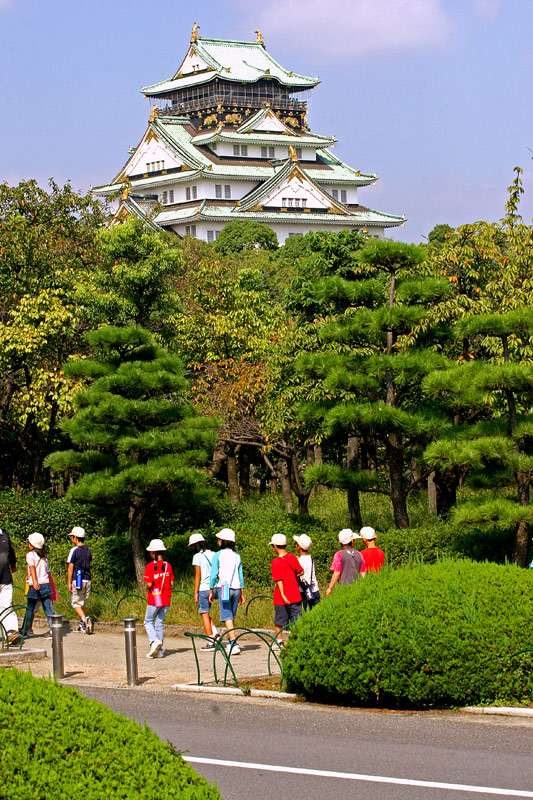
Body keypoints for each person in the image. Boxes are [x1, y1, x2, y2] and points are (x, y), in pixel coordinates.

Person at [209, 528, 244, 656]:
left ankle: (234, 643)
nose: (218, 541)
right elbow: (240, 575)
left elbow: (213, 575)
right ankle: (230, 641)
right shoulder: (237, 556)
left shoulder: (217, 555)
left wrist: (211, 589)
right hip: (236, 589)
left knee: (227, 616)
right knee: (231, 616)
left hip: (224, 588)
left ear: (223, 541)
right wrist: (242, 592)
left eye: (219, 539)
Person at [270, 533, 303, 649]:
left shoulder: (275, 562)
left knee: (279, 620)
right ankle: (297, 640)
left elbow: (278, 580)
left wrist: (283, 594)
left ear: (275, 546)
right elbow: (301, 571)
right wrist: (293, 577)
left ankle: (279, 641)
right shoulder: (293, 558)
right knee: (296, 620)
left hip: (281, 596)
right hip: (295, 593)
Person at [143, 539, 174, 658]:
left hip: (154, 598)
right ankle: (160, 651)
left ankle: (154, 640)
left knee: (148, 621)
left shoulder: (150, 566)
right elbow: (171, 583)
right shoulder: (168, 566)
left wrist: (147, 586)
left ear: (153, 553)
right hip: (166, 598)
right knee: (159, 623)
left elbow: (149, 584)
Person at [188, 533, 218, 651]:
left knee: (204, 614)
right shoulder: (214, 554)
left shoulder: (197, 557)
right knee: (206, 613)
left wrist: (195, 592)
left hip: (204, 588)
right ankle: (215, 633)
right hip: (216, 587)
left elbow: (198, 575)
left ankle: (210, 641)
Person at [22, 533, 54, 639]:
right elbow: (46, 570)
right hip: (45, 583)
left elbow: (32, 568)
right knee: (47, 608)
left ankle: (26, 630)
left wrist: (34, 581)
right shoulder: (44, 556)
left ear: (32, 544)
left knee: (30, 608)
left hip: (35, 584)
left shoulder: (30, 555)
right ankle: (53, 629)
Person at [67, 526, 93, 634]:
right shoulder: (88, 550)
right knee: (83, 604)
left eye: (72, 537)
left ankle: (84, 620)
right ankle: (82, 625)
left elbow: (70, 567)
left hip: (77, 579)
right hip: (87, 579)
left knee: (76, 603)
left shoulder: (74, 550)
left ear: (76, 538)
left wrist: (68, 582)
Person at [326, 528, 365, 596]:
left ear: (340, 543)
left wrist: (330, 588)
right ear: (352, 541)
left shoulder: (339, 554)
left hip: (344, 588)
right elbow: (363, 573)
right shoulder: (359, 554)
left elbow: (337, 573)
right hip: (358, 588)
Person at [0, 524, 20, 645]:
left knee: (6, 605)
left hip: (5, 577)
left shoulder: (5, 534)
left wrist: (13, 565)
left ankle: (12, 632)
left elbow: (11, 552)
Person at [293, 534, 321, 611]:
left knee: (301, 613)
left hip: (301, 591)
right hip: (314, 589)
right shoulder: (310, 558)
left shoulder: (298, 560)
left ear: (298, 546)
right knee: (317, 613)